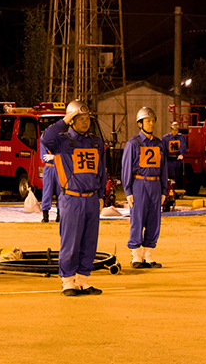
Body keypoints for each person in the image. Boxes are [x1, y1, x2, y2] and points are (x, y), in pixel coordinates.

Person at [41, 99, 107, 296]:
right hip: (71, 199)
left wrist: (102, 195)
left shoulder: (96, 142)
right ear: (71, 120)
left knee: (89, 241)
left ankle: (83, 279)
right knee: (70, 241)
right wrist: (64, 120)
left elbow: (101, 170)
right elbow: (45, 139)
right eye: (80, 118)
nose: (86, 122)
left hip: (92, 198)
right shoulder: (61, 141)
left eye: (88, 118)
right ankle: (68, 280)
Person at [122, 107, 168, 268]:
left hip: (155, 185)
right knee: (137, 219)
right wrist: (128, 190)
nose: (151, 124)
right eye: (148, 121)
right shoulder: (133, 144)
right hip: (139, 184)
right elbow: (126, 168)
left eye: (153, 120)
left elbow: (164, 168)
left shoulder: (159, 144)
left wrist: (164, 190)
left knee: (154, 220)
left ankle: (148, 255)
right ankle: (136, 255)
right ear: (140, 123)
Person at [39, 142, 60, 223]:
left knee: (60, 192)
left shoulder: (62, 142)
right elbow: (44, 157)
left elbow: (65, 156)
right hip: (49, 168)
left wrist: (54, 157)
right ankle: (45, 216)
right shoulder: (44, 142)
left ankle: (60, 215)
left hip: (59, 167)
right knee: (47, 191)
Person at [162, 121, 187, 186]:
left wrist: (181, 154)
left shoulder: (181, 137)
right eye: (173, 130)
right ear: (171, 130)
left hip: (177, 159)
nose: (175, 132)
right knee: (169, 174)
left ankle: (176, 187)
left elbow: (183, 146)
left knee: (177, 174)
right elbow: (163, 148)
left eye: (176, 130)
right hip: (168, 159)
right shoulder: (165, 138)